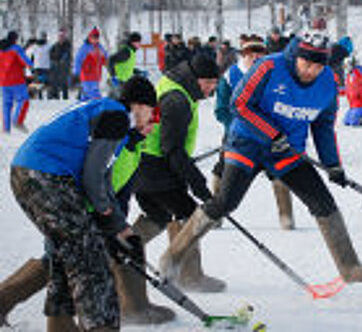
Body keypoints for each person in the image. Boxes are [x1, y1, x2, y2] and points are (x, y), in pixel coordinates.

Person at [159, 29, 362, 285]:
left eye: (317, 66)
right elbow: (239, 104)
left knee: (322, 201)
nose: (310, 71)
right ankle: (174, 255)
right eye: (306, 63)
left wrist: (333, 164)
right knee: (225, 202)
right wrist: (273, 134)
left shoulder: (328, 84)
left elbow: (323, 125)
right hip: (248, 142)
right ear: (297, 55)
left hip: (287, 150)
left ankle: (349, 266)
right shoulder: (269, 67)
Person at [9, 76, 161, 331]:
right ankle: (102, 327)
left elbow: (102, 180)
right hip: (46, 176)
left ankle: (60, 326)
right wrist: (105, 216)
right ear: (140, 105)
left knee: (65, 253)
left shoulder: (104, 111)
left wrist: (119, 227)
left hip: (29, 172)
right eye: (151, 111)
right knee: (91, 261)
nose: (151, 119)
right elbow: (92, 178)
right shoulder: (118, 117)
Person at [133, 54, 226, 292]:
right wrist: (198, 183)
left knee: (159, 216)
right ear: (195, 78)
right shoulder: (177, 100)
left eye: (215, 83)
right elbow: (171, 148)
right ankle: (190, 276)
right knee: (192, 215)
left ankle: (121, 253)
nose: (212, 88)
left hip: (146, 165)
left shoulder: (175, 84)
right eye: (209, 83)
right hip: (155, 169)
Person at [213, 34, 295, 230]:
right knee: (222, 171)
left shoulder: (273, 74)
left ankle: (286, 216)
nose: (255, 58)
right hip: (237, 136)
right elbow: (221, 109)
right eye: (250, 54)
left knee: (280, 172)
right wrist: (239, 126)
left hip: (269, 135)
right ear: (243, 55)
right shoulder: (231, 76)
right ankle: (215, 215)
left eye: (259, 53)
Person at [0, 31, 33, 133]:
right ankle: (17, 120)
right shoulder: (16, 49)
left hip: (3, 81)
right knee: (24, 100)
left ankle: (6, 128)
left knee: (6, 104)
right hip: (16, 81)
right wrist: (30, 65)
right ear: (15, 39)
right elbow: (27, 62)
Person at [73, 26, 108, 101]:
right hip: (87, 76)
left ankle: (83, 109)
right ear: (89, 37)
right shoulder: (85, 48)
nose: (95, 40)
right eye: (93, 38)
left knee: (86, 98)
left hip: (96, 77)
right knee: (96, 98)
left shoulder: (99, 47)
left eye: (97, 38)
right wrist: (76, 73)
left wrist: (110, 66)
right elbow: (78, 60)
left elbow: (104, 59)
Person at [49, 29, 72, 100]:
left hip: (64, 66)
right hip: (56, 66)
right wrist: (55, 58)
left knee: (64, 81)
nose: (61, 38)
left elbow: (67, 54)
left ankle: (65, 96)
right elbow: (51, 54)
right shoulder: (55, 45)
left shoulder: (67, 45)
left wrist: (62, 59)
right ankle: (55, 95)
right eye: (60, 36)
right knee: (54, 80)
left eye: (62, 36)